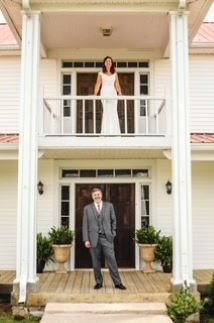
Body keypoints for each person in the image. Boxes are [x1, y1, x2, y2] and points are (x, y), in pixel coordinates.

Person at [82, 187, 126, 290]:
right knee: (96, 262)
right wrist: (86, 239)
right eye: (95, 195)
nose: (97, 196)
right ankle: (98, 282)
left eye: (98, 194)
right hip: (93, 239)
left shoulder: (109, 206)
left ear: (101, 195)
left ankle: (117, 283)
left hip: (107, 238)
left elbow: (113, 221)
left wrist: (112, 233)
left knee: (112, 261)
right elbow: (85, 225)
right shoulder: (87, 208)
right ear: (92, 196)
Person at [94, 56, 122, 135]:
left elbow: (117, 84)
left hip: (113, 93)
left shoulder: (115, 74)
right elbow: (98, 84)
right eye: (107, 61)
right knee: (106, 111)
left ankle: (115, 132)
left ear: (112, 63)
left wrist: (120, 93)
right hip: (104, 92)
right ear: (104, 63)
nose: (108, 62)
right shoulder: (101, 73)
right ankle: (105, 132)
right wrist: (95, 94)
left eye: (110, 61)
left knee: (113, 111)